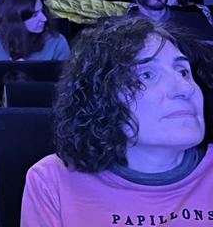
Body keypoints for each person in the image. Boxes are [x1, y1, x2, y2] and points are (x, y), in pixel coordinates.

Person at [21, 17, 213, 224]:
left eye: (184, 71)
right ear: (100, 96)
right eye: (147, 75)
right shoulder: (53, 180)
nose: (186, 88)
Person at [0, 0, 71, 62]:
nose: (44, 18)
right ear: (15, 19)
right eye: (35, 15)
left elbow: (66, 82)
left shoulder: (56, 41)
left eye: (42, 11)